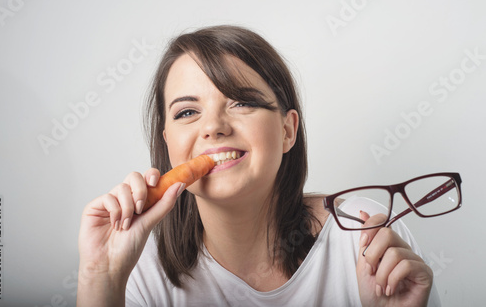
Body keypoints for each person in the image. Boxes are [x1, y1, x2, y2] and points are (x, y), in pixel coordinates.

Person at [77, 25, 440, 306]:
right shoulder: (140, 272)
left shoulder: (363, 238)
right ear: (167, 142)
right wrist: (101, 277)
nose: (213, 126)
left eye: (241, 102)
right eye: (187, 112)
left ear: (287, 130)